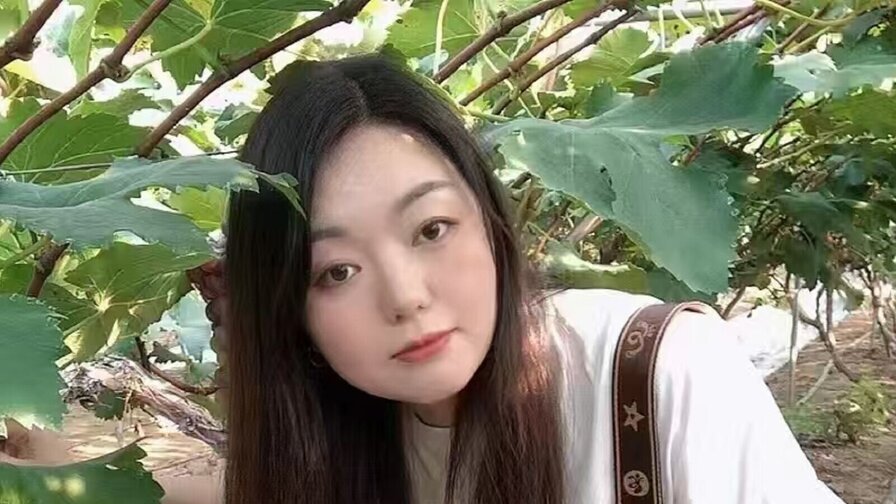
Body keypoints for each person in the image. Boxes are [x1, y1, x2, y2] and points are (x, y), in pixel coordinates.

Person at [0, 53, 844, 504]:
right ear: (291, 316)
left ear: (490, 220)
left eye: (431, 229)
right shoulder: (352, 435)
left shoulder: (655, 372)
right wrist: (56, 468)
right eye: (336, 271)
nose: (404, 296)